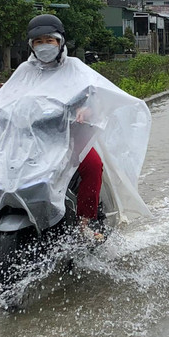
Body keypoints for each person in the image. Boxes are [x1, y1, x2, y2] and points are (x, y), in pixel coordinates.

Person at [24, 13, 105, 229]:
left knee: (93, 166)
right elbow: (7, 99)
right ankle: (0, 224)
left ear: (60, 42)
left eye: (49, 40)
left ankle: (85, 222)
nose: (44, 46)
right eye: (38, 42)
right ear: (31, 46)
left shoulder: (76, 69)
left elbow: (95, 95)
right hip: (34, 139)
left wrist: (87, 109)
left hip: (70, 136)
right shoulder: (25, 73)